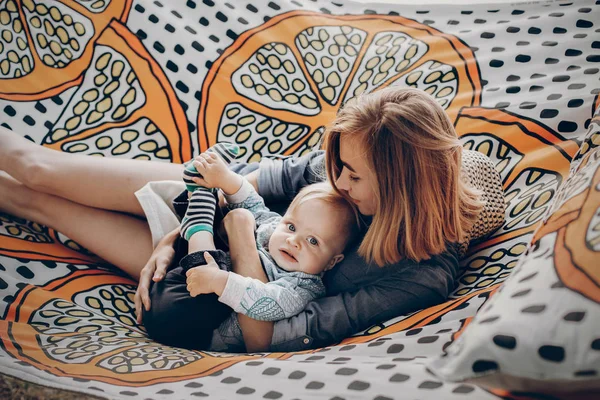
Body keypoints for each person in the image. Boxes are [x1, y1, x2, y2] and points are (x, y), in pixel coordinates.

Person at [0, 87, 505, 353]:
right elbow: (243, 184)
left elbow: (269, 337)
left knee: (39, 206)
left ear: (402, 187)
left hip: (215, 293)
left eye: (353, 176)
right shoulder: (350, 160)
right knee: (38, 168)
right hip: (202, 219)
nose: (338, 183)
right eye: (337, 167)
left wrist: (237, 247)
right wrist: (180, 234)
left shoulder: (417, 276)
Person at [146, 142, 359, 351]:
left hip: (198, 327)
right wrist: (227, 180)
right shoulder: (273, 230)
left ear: (332, 261)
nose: (293, 241)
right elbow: (252, 204)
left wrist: (220, 281)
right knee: (228, 219)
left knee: (193, 301)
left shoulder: (303, 287)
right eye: (292, 226)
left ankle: (198, 217)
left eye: (313, 241)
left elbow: (266, 302)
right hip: (188, 274)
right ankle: (201, 190)